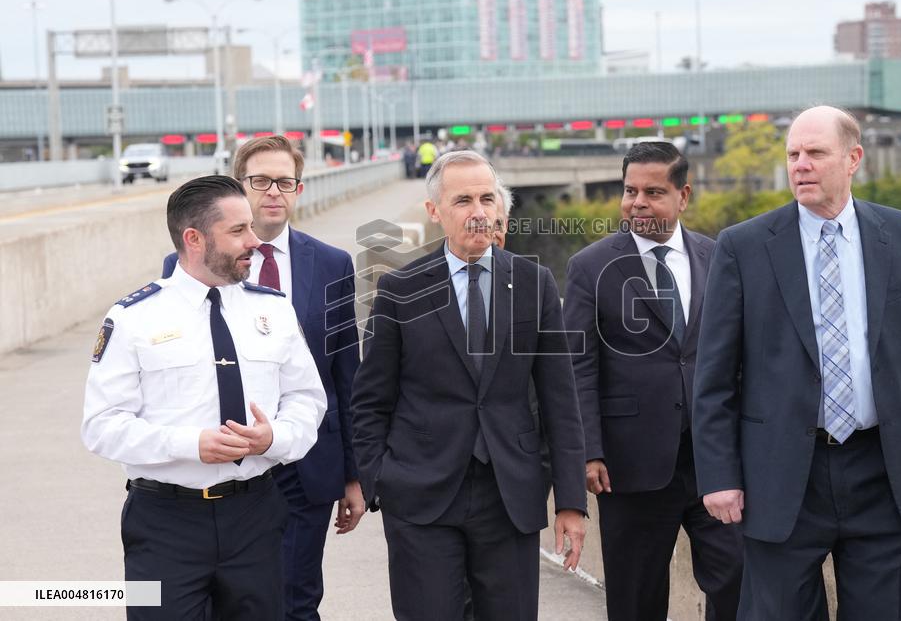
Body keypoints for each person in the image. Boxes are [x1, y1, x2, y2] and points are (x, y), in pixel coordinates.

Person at [693, 106, 901, 619]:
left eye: (815, 153)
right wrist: (719, 475)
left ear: (853, 158)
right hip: (781, 475)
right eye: (793, 154)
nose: (801, 165)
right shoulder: (743, 247)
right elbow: (714, 378)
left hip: (884, 470)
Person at [351, 150, 587, 621]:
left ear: (500, 209)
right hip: (421, 497)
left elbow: (561, 401)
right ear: (434, 211)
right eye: (463, 200)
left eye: (487, 199)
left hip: (510, 494)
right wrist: (383, 483)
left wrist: (571, 502)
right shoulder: (400, 291)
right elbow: (370, 401)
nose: (478, 212)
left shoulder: (534, 283)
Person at [82, 175, 326, 619]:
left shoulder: (272, 308)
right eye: (238, 231)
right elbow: (101, 426)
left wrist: (274, 438)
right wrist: (191, 444)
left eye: (250, 227)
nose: (254, 241)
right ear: (193, 239)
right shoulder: (134, 318)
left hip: (255, 513)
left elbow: (307, 399)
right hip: (164, 521)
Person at [162, 136, 363, 621]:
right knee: (231, 603)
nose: (273, 191)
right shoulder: (187, 265)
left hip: (307, 462)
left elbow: (346, 373)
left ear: (298, 188)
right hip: (230, 466)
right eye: (259, 181)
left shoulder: (333, 264)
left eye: (285, 181)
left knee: (297, 600)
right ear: (239, 186)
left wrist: (356, 475)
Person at [562, 142, 742, 620]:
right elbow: (577, 366)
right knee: (636, 598)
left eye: (652, 192)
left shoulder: (719, 255)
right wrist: (590, 450)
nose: (637, 202)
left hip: (714, 459)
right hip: (630, 463)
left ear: (683, 197)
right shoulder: (590, 267)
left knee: (739, 579)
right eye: (629, 191)